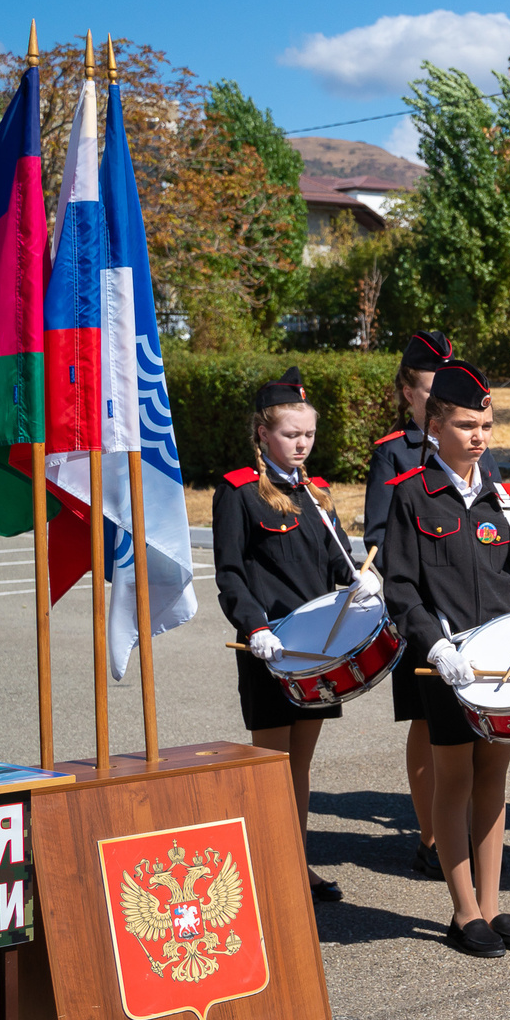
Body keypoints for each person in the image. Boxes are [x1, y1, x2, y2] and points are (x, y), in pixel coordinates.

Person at [381, 360, 510, 957]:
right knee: (455, 780)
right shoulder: (412, 495)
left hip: (500, 664)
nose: (478, 435)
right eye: (464, 424)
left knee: (495, 780)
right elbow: (401, 586)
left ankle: (493, 902)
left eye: (485, 423)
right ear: (434, 425)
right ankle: (462, 911)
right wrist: (432, 642)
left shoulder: (502, 498)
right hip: (446, 663)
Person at [215, 368, 375, 903]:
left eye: (307, 434)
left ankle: (295, 861)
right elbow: (231, 573)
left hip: (316, 649)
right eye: (290, 434)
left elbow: (336, 560)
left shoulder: (318, 491)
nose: (301, 443)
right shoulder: (238, 492)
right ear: (263, 433)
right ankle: (266, 868)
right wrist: (253, 625)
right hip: (271, 646)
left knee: (300, 766)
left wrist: (360, 579)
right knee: (270, 765)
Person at [367, 329, 500, 880]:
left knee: (483, 761)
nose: (476, 433)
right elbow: (384, 539)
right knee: (429, 727)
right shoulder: (397, 463)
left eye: (484, 423)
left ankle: (465, 853)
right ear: (415, 400)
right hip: (428, 626)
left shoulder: (485, 471)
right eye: (427, 390)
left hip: (481, 633)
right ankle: (431, 836)